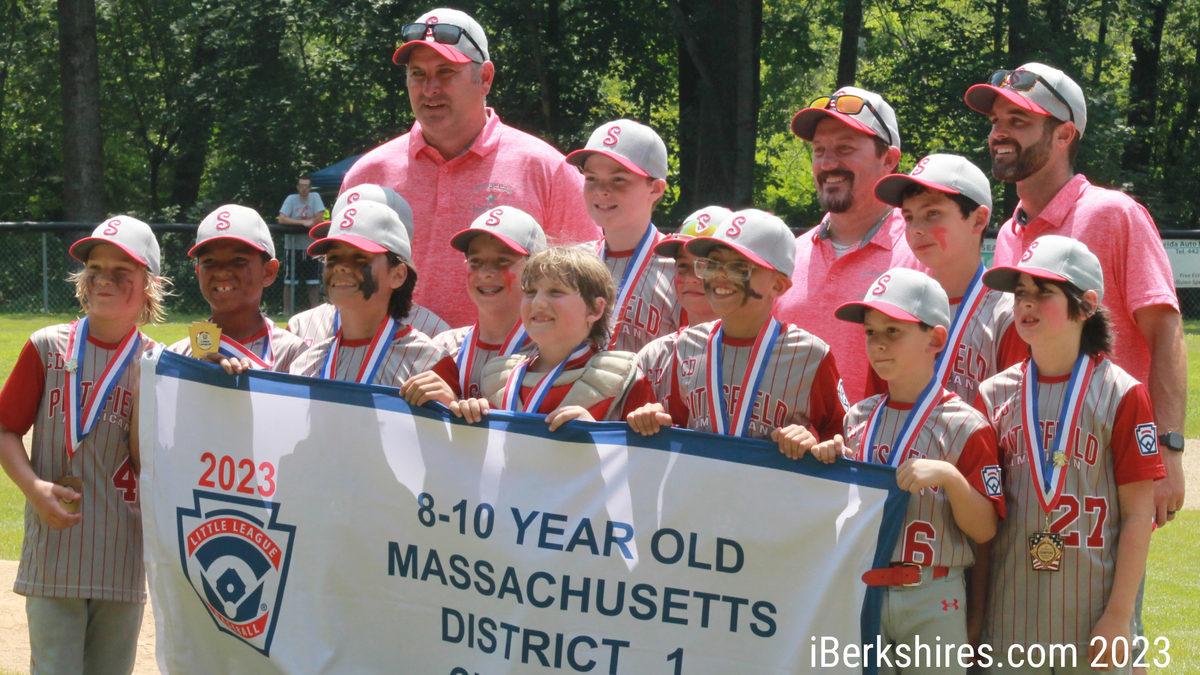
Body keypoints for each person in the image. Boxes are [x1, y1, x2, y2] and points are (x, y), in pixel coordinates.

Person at [964, 63, 1186, 525]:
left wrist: (1168, 447)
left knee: (1109, 600)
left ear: (1064, 134)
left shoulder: (1113, 213)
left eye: (1018, 121)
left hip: (1103, 464)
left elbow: (1166, 333)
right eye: (995, 122)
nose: (999, 133)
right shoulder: (1008, 234)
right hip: (1024, 465)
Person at [340, 7, 599, 328]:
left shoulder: (545, 168)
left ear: (485, 78)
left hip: (513, 370)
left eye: (446, 71)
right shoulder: (368, 175)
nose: (430, 87)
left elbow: (590, 283)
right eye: (417, 73)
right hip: (391, 369)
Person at [974, 235, 1164, 673]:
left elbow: (1139, 514)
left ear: (1087, 304)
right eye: (1021, 293)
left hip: (1092, 618)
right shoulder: (993, 394)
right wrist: (977, 618)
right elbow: (985, 521)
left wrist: (1119, 618)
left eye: (1045, 292)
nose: (1027, 304)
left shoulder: (1123, 394)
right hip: (1009, 618)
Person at [810, 268, 1003, 675]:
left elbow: (985, 530)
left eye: (893, 331)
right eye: (870, 332)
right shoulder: (857, 419)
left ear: (935, 338)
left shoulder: (967, 425)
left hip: (933, 591)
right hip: (862, 586)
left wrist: (951, 478)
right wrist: (830, 460)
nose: (878, 344)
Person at [0, 217, 168, 675]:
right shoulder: (47, 347)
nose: (104, 280)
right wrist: (34, 488)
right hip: (54, 552)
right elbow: (5, 428)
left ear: (149, 284)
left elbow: (153, 462)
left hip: (121, 553)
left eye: (121, 271)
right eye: (95, 268)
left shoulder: (157, 365)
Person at [626, 209, 845, 456]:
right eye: (713, 263)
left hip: (773, 493)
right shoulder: (684, 346)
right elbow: (677, 437)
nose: (720, 275)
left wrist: (816, 446)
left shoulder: (811, 355)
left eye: (739, 266)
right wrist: (651, 420)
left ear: (778, 285)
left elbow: (841, 443)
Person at [775, 87, 922, 406]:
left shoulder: (918, 255)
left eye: (845, 148)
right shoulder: (787, 255)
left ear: (889, 160)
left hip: (879, 453)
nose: (828, 164)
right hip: (781, 452)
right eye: (819, 150)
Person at [872, 154, 1026, 403]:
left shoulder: (1010, 314)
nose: (916, 228)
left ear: (977, 220)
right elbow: (876, 410)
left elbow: (1020, 419)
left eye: (932, 213)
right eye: (909, 217)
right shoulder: (895, 307)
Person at [451, 246, 655, 429]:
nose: (537, 303)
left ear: (595, 308)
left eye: (556, 292)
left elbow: (649, 462)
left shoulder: (626, 380)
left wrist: (597, 437)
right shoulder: (497, 378)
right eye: (530, 292)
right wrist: (470, 419)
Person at [288, 201, 459, 404]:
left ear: (397, 275)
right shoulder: (305, 364)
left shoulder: (429, 362)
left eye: (359, 257)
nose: (341, 267)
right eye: (333, 258)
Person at [565, 119, 681, 352]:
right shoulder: (569, 264)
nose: (601, 190)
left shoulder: (681, 269)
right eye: (591, 178)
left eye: (619, 179)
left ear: (656, 189)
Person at [287, 184, 450, 346]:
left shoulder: (435, 336)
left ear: (405, 249)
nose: (341, 265)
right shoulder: (302, 328)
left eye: (359, 253)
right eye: (335, 251)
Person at [168, 205, 307, 372]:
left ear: (268, 271)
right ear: (198, 272)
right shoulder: (176, 356)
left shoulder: (293, 354)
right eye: (210, 261)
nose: (220, 272)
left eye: (238, 260)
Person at [425, 206, 544, 399]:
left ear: (536, 270)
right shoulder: (442, 347)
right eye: (476, 261)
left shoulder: (550, 351)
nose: (485, 272)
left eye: (502, 260)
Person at [636, 205, 728, 402]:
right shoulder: (654, 355)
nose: (691, 278)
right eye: (683, 265)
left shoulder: (769, 352)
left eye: (706, 266)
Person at [278, 175, 327, 314]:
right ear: (297, 187)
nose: (304, 189)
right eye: (301, 186)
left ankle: (315, 312)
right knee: (289, 282)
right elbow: (282, 219)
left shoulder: (315, 197)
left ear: (310, 188)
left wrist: (294, 220)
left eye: (307, 186)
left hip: (311, 247)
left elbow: (319, 219)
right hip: (292, 247)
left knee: (313, 282)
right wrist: (302, 223)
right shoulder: (291, 199)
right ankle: (287, 312)